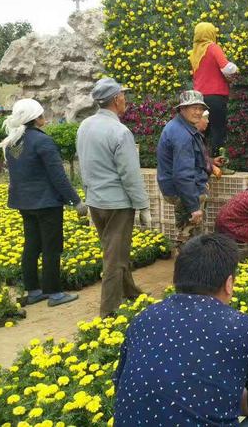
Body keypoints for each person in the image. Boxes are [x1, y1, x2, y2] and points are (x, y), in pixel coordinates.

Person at [113, 233, 248, 427]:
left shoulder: (143, 319)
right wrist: (233, 401)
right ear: (229, 284)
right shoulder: (242, 328)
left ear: (177, 280)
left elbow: (120, 383)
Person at [77, 77, 152, 318]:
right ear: (116, 99)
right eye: (123, 96)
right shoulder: (120, 131)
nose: (125, 100)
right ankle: (108, 311)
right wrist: (142, 206)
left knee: (114, 251)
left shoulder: (85, 126)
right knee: (114, 258)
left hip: (96, 200)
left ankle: (130, 291)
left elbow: (84, 165)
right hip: (118, 204)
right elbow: (130, 174)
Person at [0, 99, 84, 307]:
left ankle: (34, 291)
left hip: (24, 203)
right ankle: (54, 293)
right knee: (52, 247)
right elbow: (58, 176)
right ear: (36, 118)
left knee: (32, 246)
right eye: (41, 114)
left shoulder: (13, 141)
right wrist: (76, 201)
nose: (44, 116)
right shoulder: (42, 141)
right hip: (46, 204)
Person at [157, 91, 224, 244]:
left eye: (201, 108)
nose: (198, 112)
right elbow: (183, 174)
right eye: (194, 107)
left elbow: (193, 160)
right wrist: (194, 207)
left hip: (185, 190)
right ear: (182, 109)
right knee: (189, 238)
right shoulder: (182, 134)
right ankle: (189, 266)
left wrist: (211, 162)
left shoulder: (183, 127)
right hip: (185, 192)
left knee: (191, 237)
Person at [189, 22, 239, 157]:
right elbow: (226, 67)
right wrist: (235, 68)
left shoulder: (194, 52)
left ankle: (200, 162)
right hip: (216, 97)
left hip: (198, 98)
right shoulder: (212, 47)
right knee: (218, 130)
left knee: (202, 130)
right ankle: (218, 163)